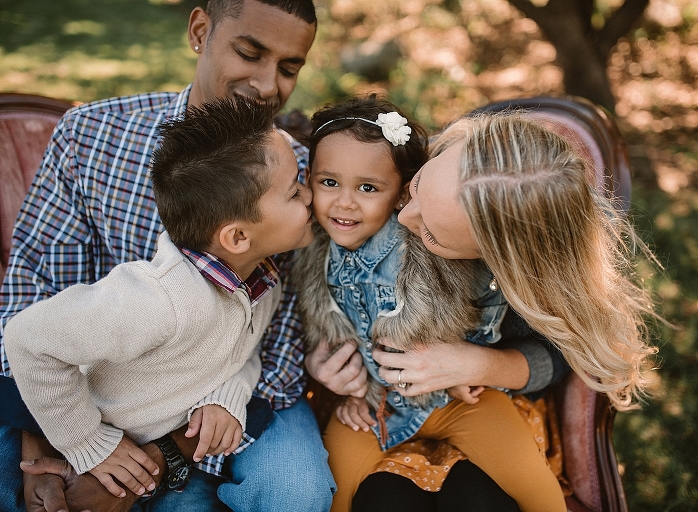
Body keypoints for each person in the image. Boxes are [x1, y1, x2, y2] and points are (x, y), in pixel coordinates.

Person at [0, 1, 335, 511]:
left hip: (222, 402)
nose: (268, 86)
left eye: (290, 68)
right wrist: (60, 440)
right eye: (249, 53)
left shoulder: (298, 176)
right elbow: (34, 294)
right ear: (200, 31)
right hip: (77, 390)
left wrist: (160, 460)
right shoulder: (88, 136)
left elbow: (276, 342)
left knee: (296, 490)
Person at [354, 112, 659, 508]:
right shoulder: (394, 168)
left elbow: (564, 354)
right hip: (376, 408)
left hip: (485, 409)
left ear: (501, 261)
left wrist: (478, 364)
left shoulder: (531, 278)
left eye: (431, 233)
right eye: (416, 187)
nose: (403, 216)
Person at [294, 97, 567, 512]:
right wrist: (340, 380)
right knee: (330, 492)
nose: (344, 202)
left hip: (460, 399)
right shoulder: (307, 248)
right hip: (372, 409)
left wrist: (476, 362)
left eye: (367, 188)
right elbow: (305, 328)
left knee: (533, 485)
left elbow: (485, 306)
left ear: (397, 192)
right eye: (329, 183)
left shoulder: (440, 247)